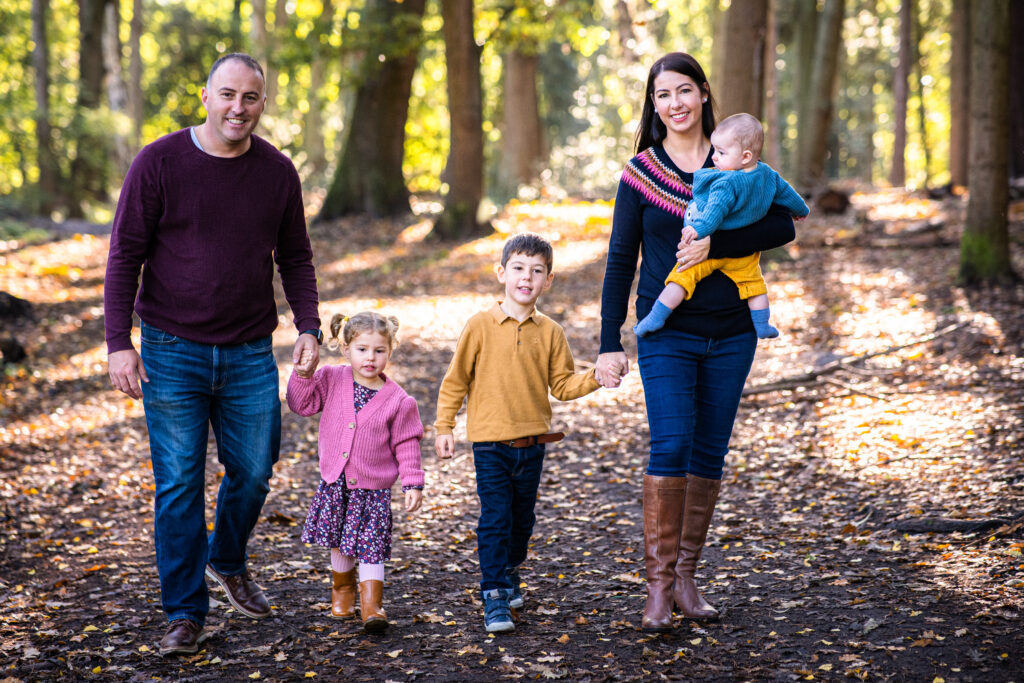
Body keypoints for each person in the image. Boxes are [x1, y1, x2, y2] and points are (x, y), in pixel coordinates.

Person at [104, 53, 322, 655]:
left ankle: (226, 558)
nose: (238, 108)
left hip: (250, 348)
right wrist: (119, 342)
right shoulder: (160, 162)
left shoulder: (277, 172)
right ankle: (184, 612)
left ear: (262, 103)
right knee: (178, 482)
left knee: (253, 471)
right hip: (172, 349)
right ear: (205, 96)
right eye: (227, 95)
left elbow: (296, 258)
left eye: (250, 98)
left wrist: (308, 326)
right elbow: (125, 254)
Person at [595, 53, 796, 632]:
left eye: (685, 91)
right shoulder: (640, 172)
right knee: (671, 445)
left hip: (734, 332)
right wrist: (610, 340)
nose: (675, 103)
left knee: (709, 453)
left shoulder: (736, 157)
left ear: (705, 94)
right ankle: (657, 587)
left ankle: (686, 577)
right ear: (653, 105)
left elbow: (783, 223)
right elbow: (618, 260)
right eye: (663, 95)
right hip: (667, 332)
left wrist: (718, 247)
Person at [434, 233, 601, 634]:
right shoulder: (479, 326)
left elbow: (561, 385)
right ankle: (493, 595)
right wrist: (444, 426)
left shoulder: (551, 332)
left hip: (532, 446)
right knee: (495, 517)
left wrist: (597, 376)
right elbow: (455, 381)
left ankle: (508, 570)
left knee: (522, 521)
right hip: (490, 444)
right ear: (501, 273)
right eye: (519, 268)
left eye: (537, 271)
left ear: (549, 280)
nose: (527, 277)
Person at [287, 312, 424, 634]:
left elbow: (407, 444)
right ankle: (342, 593)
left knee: (371, 545)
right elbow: (301, 405)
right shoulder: (332, 378)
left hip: (373, 488)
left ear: (390, 351)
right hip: (336, 483)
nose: (371, 358)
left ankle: (372, 605)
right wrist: (303, 375)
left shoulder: (399, 401)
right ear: (345, 349)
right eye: (362, 349)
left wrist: (413, 482)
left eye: (379, 350)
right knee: (340, 542)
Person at [632, 113, 809, 339]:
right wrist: (801, 211)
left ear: (745, 156)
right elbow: (788, 195)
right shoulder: (768, 175)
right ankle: (763, 325)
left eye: (721, 153)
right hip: (743, 253)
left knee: (682, 277)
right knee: (754, 284)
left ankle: (655, 317)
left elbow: (714, 212)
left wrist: (699, 230)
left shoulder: (725, 182)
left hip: (710, 250)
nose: (714, 157)